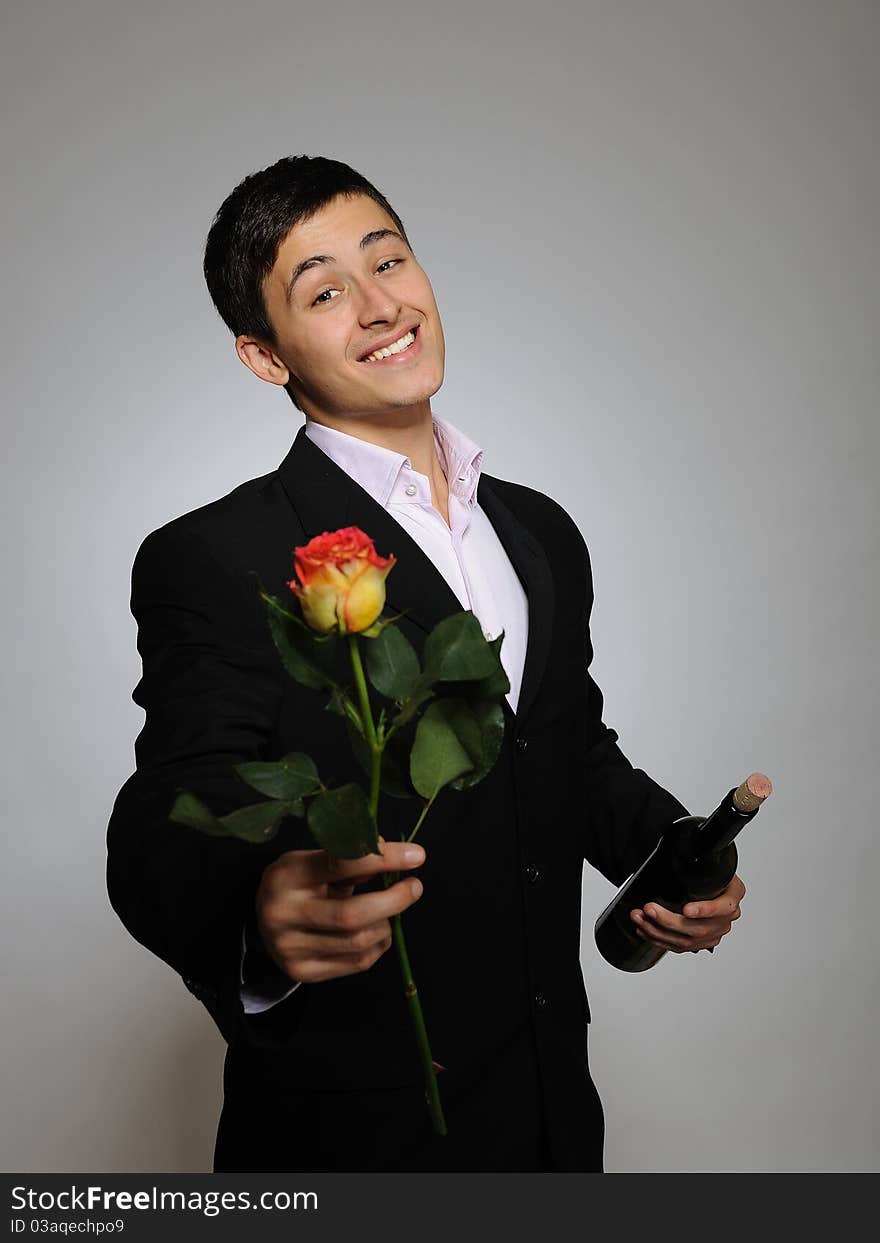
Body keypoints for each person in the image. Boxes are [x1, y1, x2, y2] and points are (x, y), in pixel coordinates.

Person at [106, 155, 746, 1173]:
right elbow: (171, 806)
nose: (378, 306)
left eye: (388, 261)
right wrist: (253, 909)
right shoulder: (213, 553)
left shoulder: (540, 530)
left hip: (552, 1126)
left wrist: (668, 848)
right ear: (264, 356)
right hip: (348, 1143)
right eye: (323, 292)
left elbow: (563, 745)